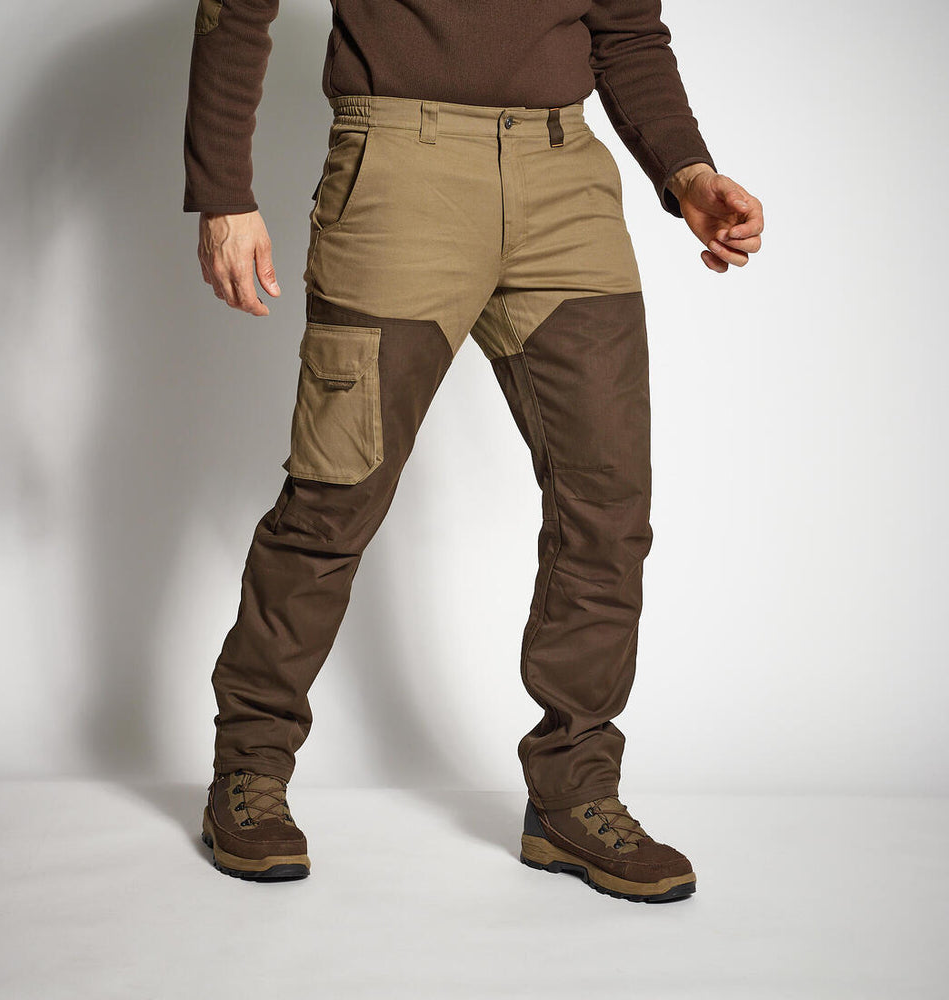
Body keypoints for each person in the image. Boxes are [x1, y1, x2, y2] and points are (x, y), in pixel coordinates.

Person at [183, 0, 763, 901]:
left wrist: (687, 171)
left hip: (566, 179)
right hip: (398, 171)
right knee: (336, 496)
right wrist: (223, 190)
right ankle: (248, 772)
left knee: (607, 508)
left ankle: (574, 795)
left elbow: (628, 33)